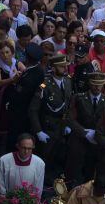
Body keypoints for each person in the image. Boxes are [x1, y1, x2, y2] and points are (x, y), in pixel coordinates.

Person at [28, 54, 73, 182]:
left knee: (58, 157)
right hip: (47, 126)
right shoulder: (44, 85)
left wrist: (68, 124)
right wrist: (38, 131)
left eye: (65, 66)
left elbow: (68, 104)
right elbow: (33, 109)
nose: (65, 68)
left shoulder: (68, 81)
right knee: (44, 158)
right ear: (53, 68)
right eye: (61, 66)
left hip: (62, 126)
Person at [66, 72, 105, 187]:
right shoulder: (78, 98)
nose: (97, 87)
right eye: (94, 84)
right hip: (79, 139)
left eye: (99, 85)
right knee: (74, 170)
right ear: (89, 84)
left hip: (97, 143)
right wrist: (84, 132)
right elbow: (70, 119)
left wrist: (98, 134)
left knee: (91, 172)